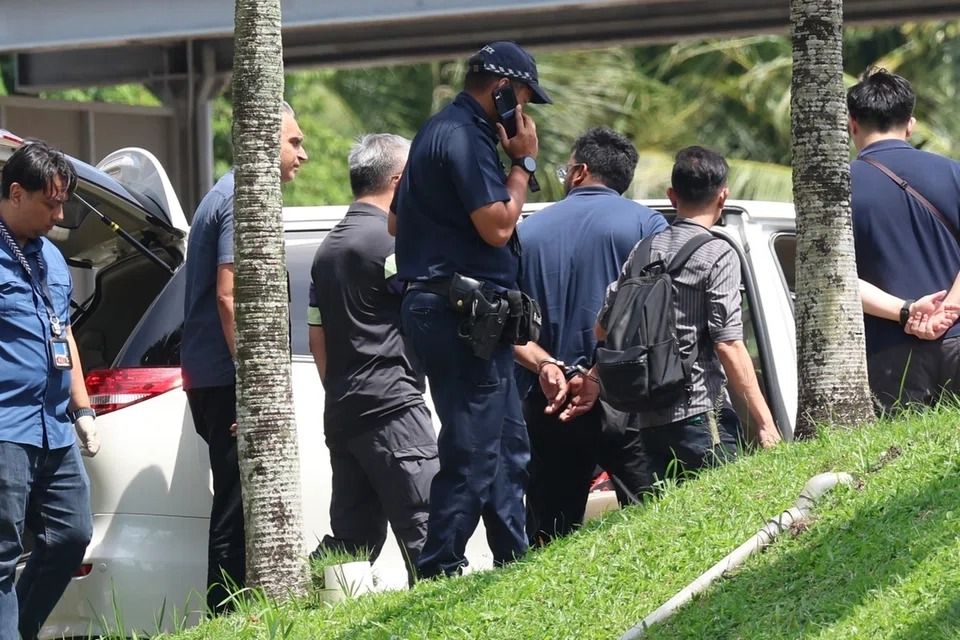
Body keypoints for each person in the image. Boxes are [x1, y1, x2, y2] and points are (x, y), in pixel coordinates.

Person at [390, 41, 550, 578]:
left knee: (506, 442)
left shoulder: (438, 133)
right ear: (502, 90)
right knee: (475, 448)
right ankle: (438, 569)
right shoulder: (464, 135)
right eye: (523, 99)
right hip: (458, 311)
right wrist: (523, 162)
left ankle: (514, 563)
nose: (524, 115)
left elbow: (396, 223)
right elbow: (498, 225)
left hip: (454, 309)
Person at [181, 102, 307, 613]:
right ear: (263, 141)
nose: (303, 152)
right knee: (235, 506)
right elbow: (230, 295)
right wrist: (251, 384)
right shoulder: (239, 197)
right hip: (225, 378)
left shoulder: (230, 193)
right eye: (293, 141)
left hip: (213, 374)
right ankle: (226, 615)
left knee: (237, 501)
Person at [513, 127, 667, 545]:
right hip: (625, 397)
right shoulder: (645, 223)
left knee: (548, 536)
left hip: (549, 402)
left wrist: (546, 366)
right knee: (654, 524)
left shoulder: (525, 232)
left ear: (579, 172)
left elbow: (508, 325)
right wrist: (596, 376)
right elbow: (653, 316)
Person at [597, 146, 780, 487]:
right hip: (699, 412)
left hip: (646, 420)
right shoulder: (717, 252)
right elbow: (729, 346)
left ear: (672, 195)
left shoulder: (644, 250)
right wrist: (765, 423)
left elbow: (601, 328)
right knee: (726, 512)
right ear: (722, 196)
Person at [307, 133, 438, 583]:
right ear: (400, 181)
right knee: (427, 528)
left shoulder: (328, 250)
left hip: (344, 410)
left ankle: (301, 612)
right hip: (393, 409)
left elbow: (316, 335)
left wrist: (345, 388)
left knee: (352, 542)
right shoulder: (389, 242)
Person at [0, 141, 99, 640]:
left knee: (72, 535)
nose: (58, 216)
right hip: (6, 428)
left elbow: (63, 333)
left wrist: (82, 408)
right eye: (50, 203)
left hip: (55, 427)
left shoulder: (54, 260)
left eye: (64, 204)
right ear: (16, 193)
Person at [848, 68, 960, 411]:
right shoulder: (954, 172)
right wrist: (948, 311)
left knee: (899, 458)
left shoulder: (837, 186)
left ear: (852, 123)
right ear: (910, 124)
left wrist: (907, 311)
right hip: (958, 339)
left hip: (890, 356)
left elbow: (837, 281)